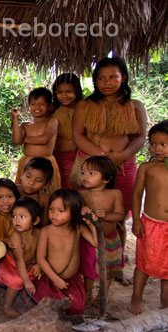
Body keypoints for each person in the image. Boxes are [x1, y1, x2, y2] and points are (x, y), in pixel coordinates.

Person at [73, 57, 147, 280]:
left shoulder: (135, 106)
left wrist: (122, 156)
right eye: (101, 78)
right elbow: (78, 135)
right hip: (92, 167)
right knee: (86, 216)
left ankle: (116, 266)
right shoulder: (85, 105)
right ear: (95, 80)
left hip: (124, 168)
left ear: (123, 78)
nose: (107, 82)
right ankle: (86, 266)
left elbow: (141, 137)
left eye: (113, 77)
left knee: (117, 218)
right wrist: (100, 156)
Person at [33, 189, 98, 315]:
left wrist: (92, 225)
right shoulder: (46, 231)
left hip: (71, 281)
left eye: (61, 211)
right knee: (49, 308)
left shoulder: (78, 229)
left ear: (73, 213)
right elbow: (40, 258)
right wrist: (56, 279)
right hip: (50, 279)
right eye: (51, 209)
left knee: (76, 308)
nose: (54, 214)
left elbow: (96, 243)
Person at [127, 120, 168, 315]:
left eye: (163, 144)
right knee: (144, 263)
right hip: (151, 224)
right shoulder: (146, 167)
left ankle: (165, 299)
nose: (157, 149)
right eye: (153, 144)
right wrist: (136, 219)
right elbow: (136, 194)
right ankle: (136, 296)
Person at [80, 156, 125, 301]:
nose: (85, 176)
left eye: (91, 173)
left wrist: (106, 216)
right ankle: (87, 294)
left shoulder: (115, 194)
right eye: (83, 173)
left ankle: (102, 295)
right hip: (90, 240)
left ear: (106, 178)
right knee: (89, 269)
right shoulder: (81, 195)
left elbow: (120, 215)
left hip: (110, 240)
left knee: (109, 269)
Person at [0, 197, 42, 318]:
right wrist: (26, 281)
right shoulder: (16, 236)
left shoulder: (39, 233)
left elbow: (42, 251)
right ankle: (7, 306)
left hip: (26, 265)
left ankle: (23, 294)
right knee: (18, 280)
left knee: (36, 274)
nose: (16, 220)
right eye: (14, 216)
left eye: (22, 217)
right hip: (11, 264)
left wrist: (39, 264)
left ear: (35, 221)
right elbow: (19, 260)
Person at [12, 87, 61, 195]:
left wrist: (23, 139)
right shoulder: (25, 125)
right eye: (33, 104)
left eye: (42, 104)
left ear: (49, 106)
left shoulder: (52, 122)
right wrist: (16, 119)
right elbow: (16, 140)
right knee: (25, 195)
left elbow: (44, 139)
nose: (37, 107)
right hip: (28, 164)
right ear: (29, 106)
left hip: (46, 164)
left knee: (46, 194)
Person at [52, 73, 84, 189]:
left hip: (77, 160)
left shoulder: (83, 109)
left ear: (77, 91)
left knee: (75, 193)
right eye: (60, 92)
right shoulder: (52, 109)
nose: (64, 96)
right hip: (55, 159)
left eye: (69, 91)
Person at [16, 157, 53, 226]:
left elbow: (45, 224)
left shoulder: (44, 200)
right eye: (28, 176)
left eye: (38, 180)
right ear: (21, 174)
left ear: (45, 184)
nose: (31, 183)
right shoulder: (13, 190)